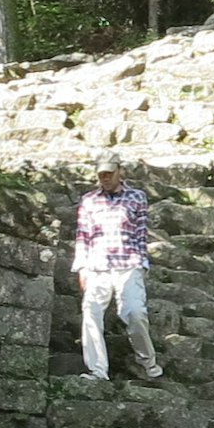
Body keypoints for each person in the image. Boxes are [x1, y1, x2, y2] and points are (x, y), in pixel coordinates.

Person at [70, 164, 163, 382]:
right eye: (101, 174)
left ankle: (147, 360)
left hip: (128, 263)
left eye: (109, 173)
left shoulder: (137, 197)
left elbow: (141, 233)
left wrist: (142, 264)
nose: (105, 178)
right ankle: (97, 370)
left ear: (119, 172)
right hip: (97, 266)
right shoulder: (89, 200)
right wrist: (81, 267)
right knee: (91, 313)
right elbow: (83, 236)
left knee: (134, 312)